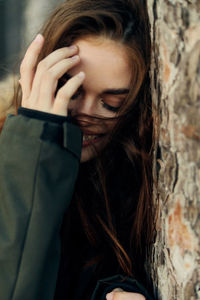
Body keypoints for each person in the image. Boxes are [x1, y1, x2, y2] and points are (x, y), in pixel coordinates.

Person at [0, 0, 155, 299]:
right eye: (70, 89)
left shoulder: (128, 178)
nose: (84, 117)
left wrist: (111, 292)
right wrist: (36, 140)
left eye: (112, 104)